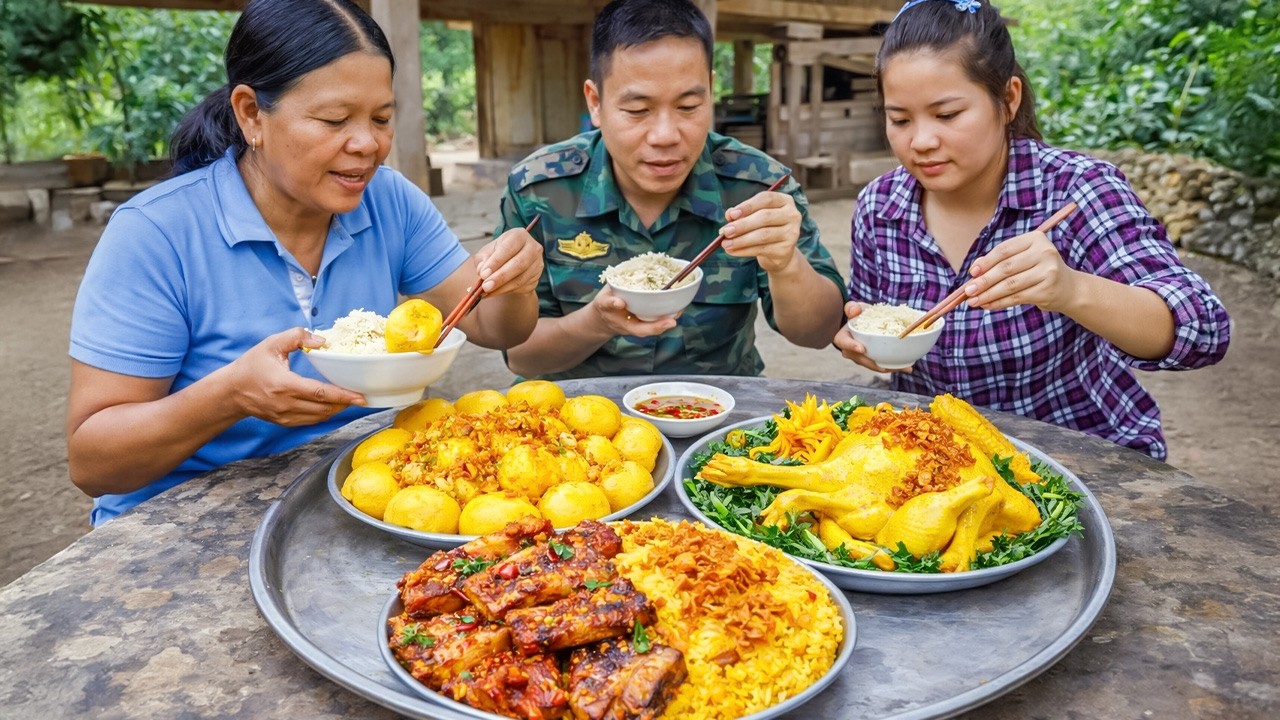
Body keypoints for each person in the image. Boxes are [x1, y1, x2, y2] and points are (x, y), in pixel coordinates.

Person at [66, 0, 543, 526]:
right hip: (180, 523)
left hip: (350, 499)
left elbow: (497, 328)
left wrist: (514, 282)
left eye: (382, 118)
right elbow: (94, 464)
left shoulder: (389, 201)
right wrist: (230, 396)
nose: (367, 144)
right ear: (251, 113)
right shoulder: (156, 233)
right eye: (335, 120)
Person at [833, 0, 1231, 459]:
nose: (921, 141)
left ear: (1008, 99)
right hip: (943, 462)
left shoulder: (1076, 190)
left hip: (1085, 461)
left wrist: (1071, 290)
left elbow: (1204, 328)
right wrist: (863, 339)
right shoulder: (880, 206)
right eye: (900, 119)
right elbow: (871, 317)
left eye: (947, 115)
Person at [497, 0, 847, 380]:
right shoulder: (539, 188)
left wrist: (785, 264)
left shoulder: (759, 186)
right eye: (638, 110)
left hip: (718, 408)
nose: (665, 136)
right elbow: (521, 355)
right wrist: (596, 322)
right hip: (578, 412)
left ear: (710, 91)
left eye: (688, 106)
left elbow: (820, 332)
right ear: (595, 103)